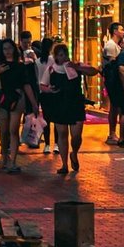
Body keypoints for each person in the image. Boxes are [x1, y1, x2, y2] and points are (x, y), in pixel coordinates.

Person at [40, 42, 98, 175]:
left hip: (75, 102)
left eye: (65, 54)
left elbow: (94, 71)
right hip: (59, 102)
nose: (63, 57)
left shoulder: (75, 66)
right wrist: (49, 90)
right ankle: (64, 164)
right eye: (60, 55)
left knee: (76, 136)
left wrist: (77, 67)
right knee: (62, 134)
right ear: (56, 56)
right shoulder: (51, 69)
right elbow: (43, 85)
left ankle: (74, 153)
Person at [0, 39, 38, 174]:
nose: (8, 51)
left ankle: (13, 161)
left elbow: (26, 85)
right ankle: (4, 156)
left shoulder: (21, 66)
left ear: (14, 49)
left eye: (10, 48)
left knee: (13, 130)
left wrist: (34, 103)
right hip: (2, 99)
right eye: (5, 49)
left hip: (17, 98)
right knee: (3, 131)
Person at [100, 21, 124, 143]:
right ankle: (112, 133)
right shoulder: (110, 45)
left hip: (115, 79)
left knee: (117, 106)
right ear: (115, 31)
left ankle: (117, 133)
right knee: (114, 106)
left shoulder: (117, 45)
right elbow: (112, 63)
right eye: (121, 29)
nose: (123, 32)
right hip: (113, 79)